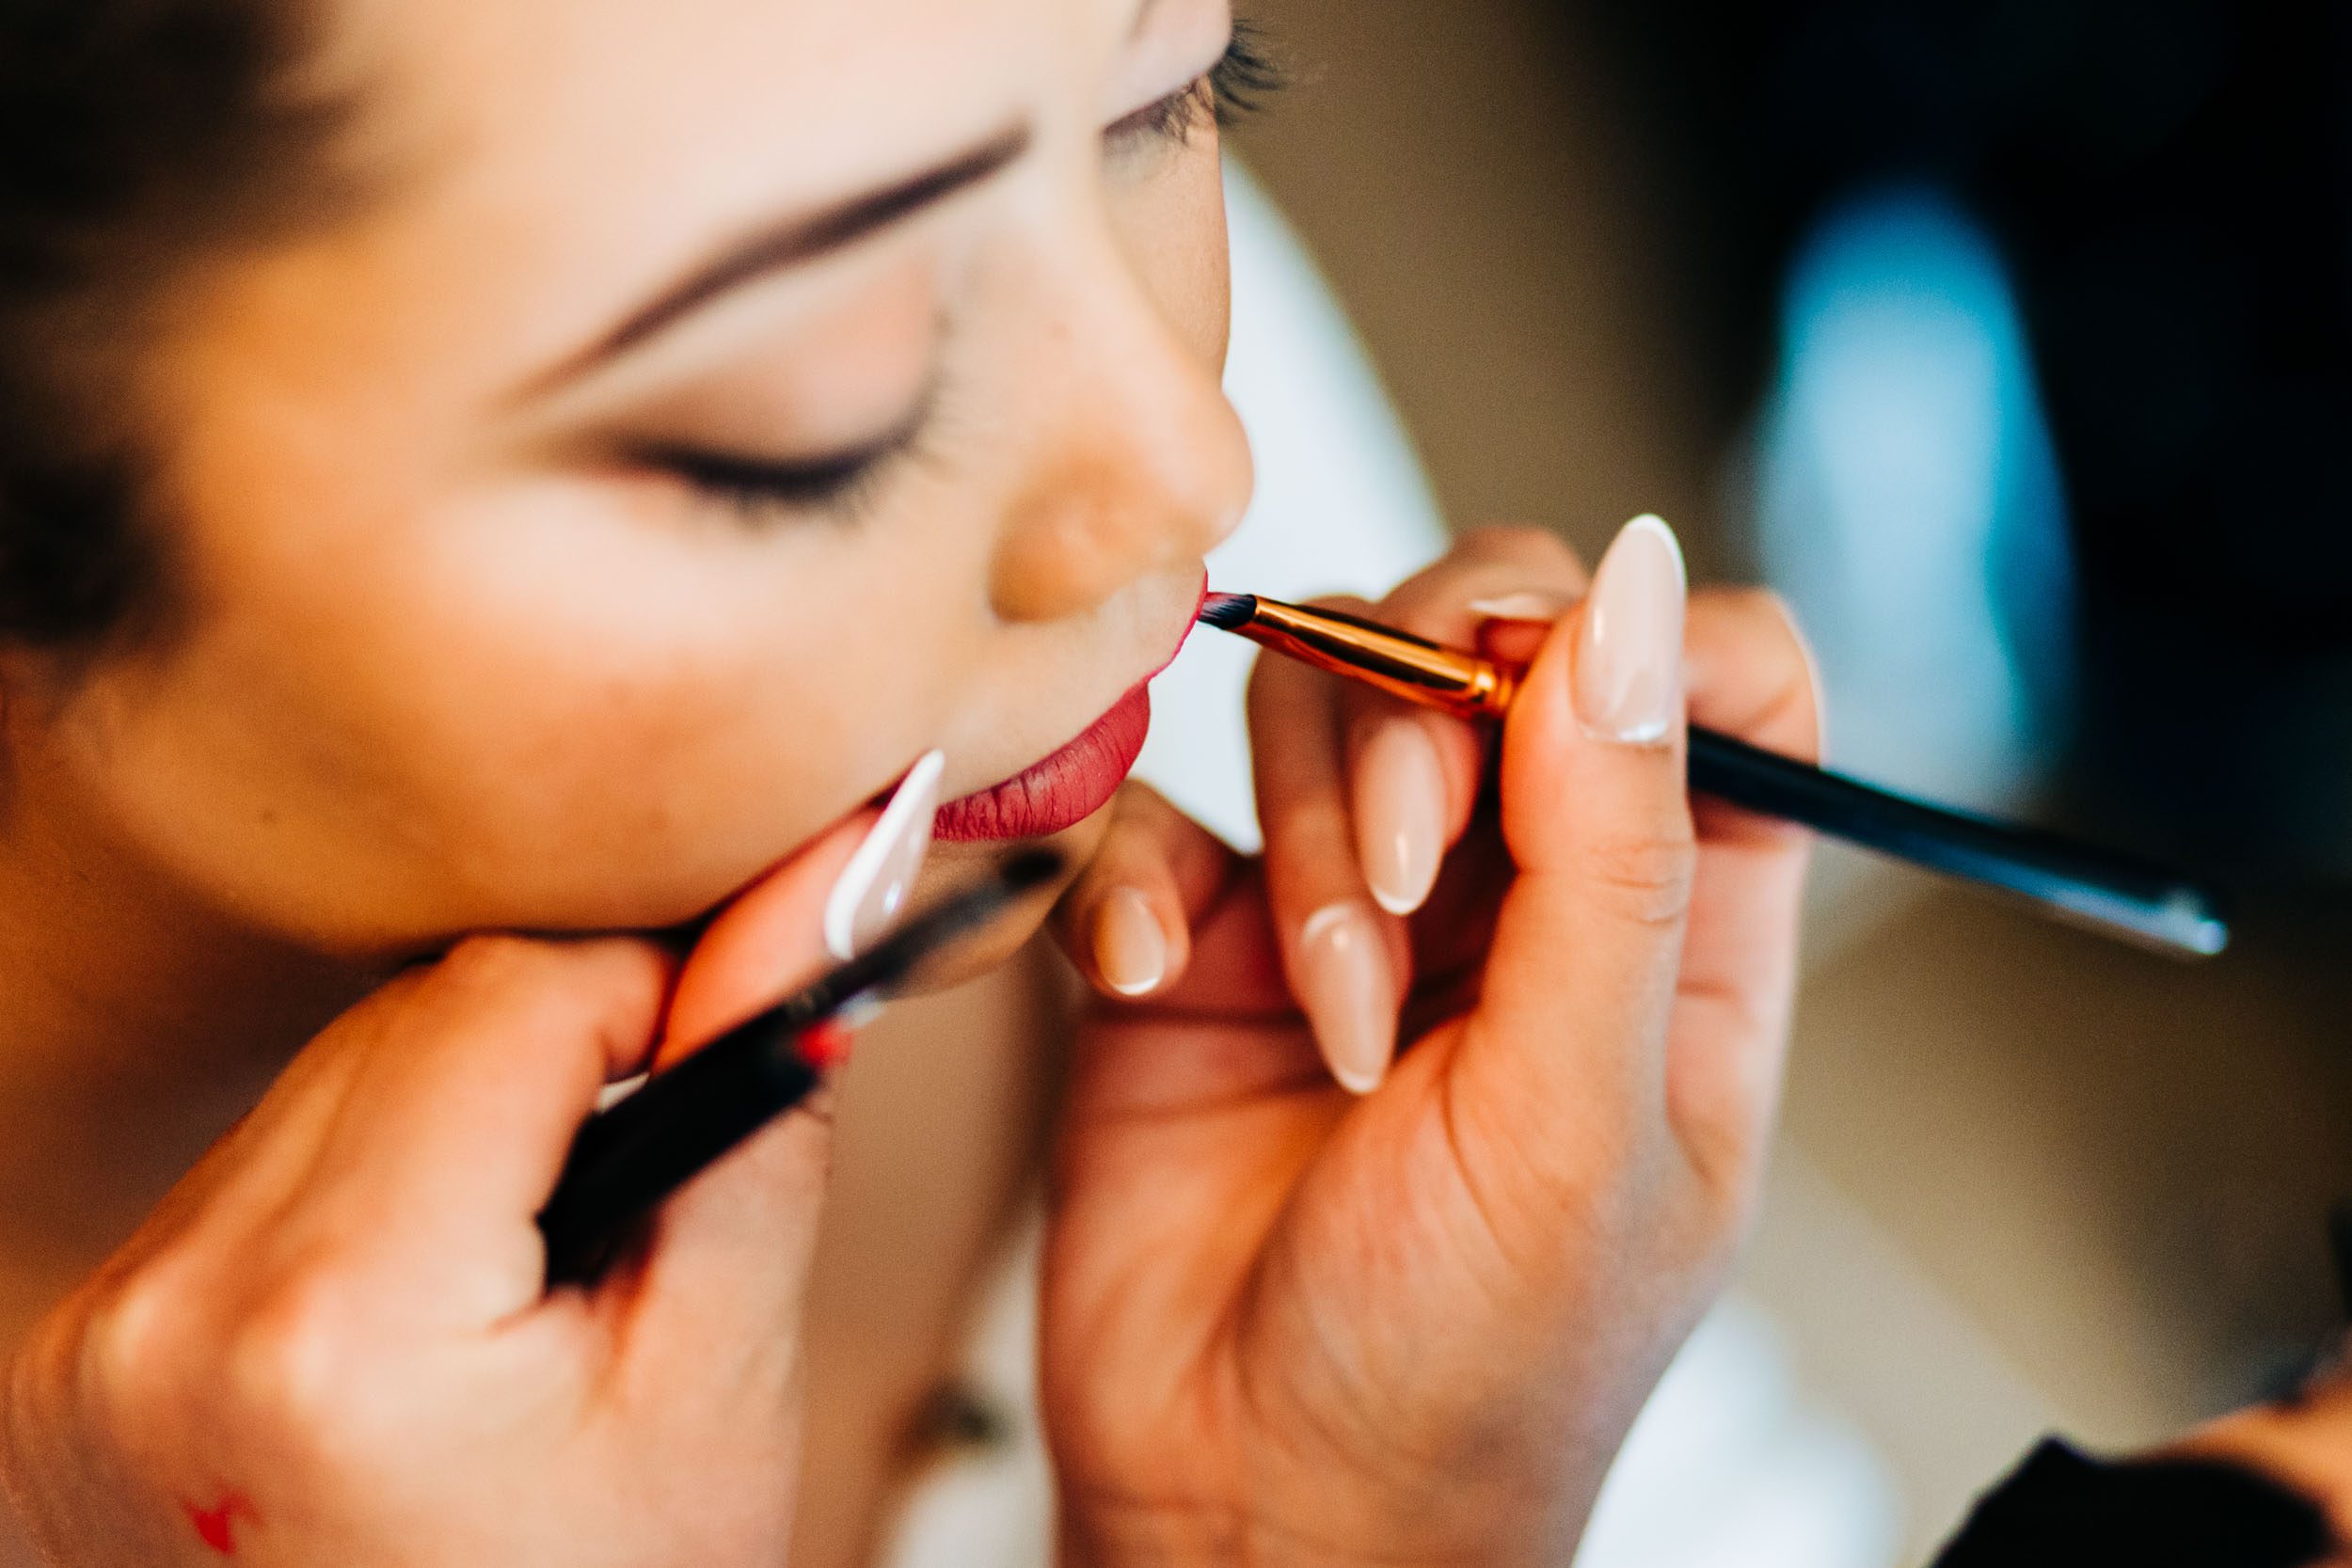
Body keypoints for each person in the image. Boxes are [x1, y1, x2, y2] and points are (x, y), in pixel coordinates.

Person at [0, 0, 1832, 1560]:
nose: (1192, 468)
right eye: (805, 427)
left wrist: (1365, 1524)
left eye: (1178, 89)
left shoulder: (1024, 235)